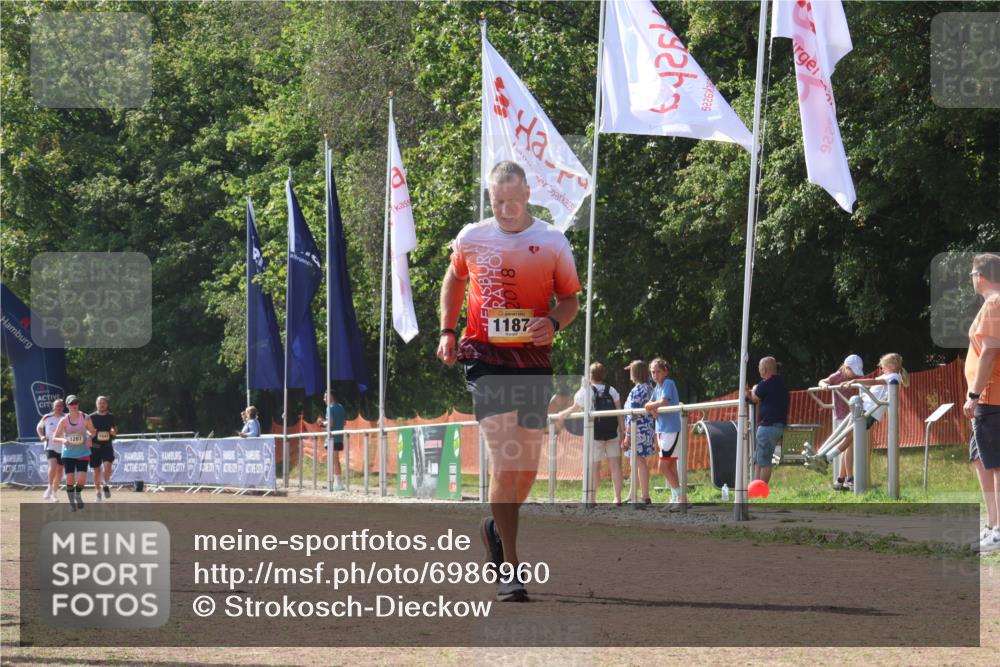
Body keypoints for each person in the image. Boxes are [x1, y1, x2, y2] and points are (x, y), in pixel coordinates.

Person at [437, 160, 580, 602]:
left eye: (513, 202)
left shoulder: (552, 241)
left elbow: (570, 299)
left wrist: (553, 323)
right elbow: (455, 279)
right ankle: (511, 568)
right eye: (498, 202)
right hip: (485, 355)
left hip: (534, 359)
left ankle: (495, 530)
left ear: (527, 197)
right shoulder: (471, 237)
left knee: (527, 466)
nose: (505, 210)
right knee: (505, 456)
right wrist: (447, 329)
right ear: (490, 196)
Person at [963, 253, 1000, 553]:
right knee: (981, 459)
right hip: (986, 397)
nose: (971, 278)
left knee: (996, 465)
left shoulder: (995, 302)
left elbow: (989, 351)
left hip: (992, 396)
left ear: (981, 275)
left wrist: (974, 395)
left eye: (973, 273)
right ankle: (992, 524)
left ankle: (998, 529)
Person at [556, 362, 626, 505]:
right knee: (615, 466)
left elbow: (574, 408)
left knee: (595, 467)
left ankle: (592, 498)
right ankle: (617, 498)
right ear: (603, 374)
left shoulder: (586, 391)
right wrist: (623, 431)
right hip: (613, 432)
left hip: (594, 433)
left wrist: (560, 414)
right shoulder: (611, 390)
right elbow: (620, 413)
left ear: (589, 375)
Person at [818, 354, 864, 490]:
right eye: (853, 372)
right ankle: (849, 478)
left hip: (853, 414)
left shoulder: (856, 377)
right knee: (848, 445)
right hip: (841, 415)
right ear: (846, 368)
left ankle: (841, 479)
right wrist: (825, 386)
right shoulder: (837, 376)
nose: (854, 375)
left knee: (848, 445)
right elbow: (822, 381)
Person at [644, 358, 683, 507]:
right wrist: (651, 408)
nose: (655, 375)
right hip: (662, 430)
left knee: (663, 467)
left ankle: (680, 496)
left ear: (665, 372)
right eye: (653, 372)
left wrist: (649, 406)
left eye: (658, 371)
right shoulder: (656, 388)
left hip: (670, 429)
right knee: (671, 466)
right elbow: (654, 409)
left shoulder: (668, 383)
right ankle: (676, 497)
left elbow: (662, 402)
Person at [747, 356, 789, 485]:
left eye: (760, 369)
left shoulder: (766, 383)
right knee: (758, 459)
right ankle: (755, 486)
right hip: (779, 426)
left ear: (764, 369)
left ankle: (761, 489)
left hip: (768, 427)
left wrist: (753, 389)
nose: (759, 372)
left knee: (764, 461)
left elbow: (754, 398)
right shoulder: (781, 382)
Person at [52, 395, 96, 511]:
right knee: (70, 479)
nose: (74, 405)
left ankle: (78, 493)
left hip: (83, 451)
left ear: (78, 404)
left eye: (76, 403)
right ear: (67, 406)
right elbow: (54, 437)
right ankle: (72, 503)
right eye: (71, 404)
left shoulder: (85, 417)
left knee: (82, 479)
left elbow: (92, 431)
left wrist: (90, 437)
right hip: (68, 453)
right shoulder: (64, 420)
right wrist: (63, 440)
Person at [622, 360, 655, 505]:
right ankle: (633, 494)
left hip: (637, 430)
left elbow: (632, 415)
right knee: (635, 462)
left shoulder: (637, 390)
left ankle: (644, 496)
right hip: (646, 429)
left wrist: (627, 436)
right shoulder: (649, 387)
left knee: (639, 462)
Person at [89, 395, 118, 501]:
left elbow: (114, 428)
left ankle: (105, 484)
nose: (102, 405)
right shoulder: (91, 417)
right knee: (96, 471)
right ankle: (97, 491)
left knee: (108, 466)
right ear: (96, 404)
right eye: (100, 403)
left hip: (107, 446)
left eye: (104, 403)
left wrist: (114, 432)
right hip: (95, 447)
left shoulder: (111, 416)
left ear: (107, 405)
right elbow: (86, 430)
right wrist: (90, 433)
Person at [36, 398, 65, 501]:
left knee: (60, 471)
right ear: (53, 407)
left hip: (63, 447)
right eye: (57, 406)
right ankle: (49, 487)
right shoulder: (47, 417)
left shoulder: (66, 418)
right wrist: (42, 436)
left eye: (60, 406)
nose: (59, 408)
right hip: (50, 446)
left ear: (63, 407)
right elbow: (39, 428)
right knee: (52, 466)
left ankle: (54, 493)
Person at [319, 390, 347, 490]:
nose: (324, 399)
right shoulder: (341, 407)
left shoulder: (329, 408)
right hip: (339, 437)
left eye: (325, 396)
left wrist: (322, 423)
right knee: (336, 460)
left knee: (333, 461)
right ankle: (337, 483)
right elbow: (344, 422)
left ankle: (337, 484)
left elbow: (330, 423)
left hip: (332, 438)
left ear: (331, 397)